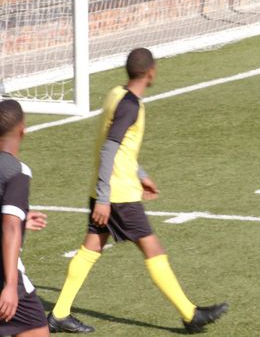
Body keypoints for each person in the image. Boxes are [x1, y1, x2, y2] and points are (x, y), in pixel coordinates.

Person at [49, 49, 228, 334]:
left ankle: (59, 314)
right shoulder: (130, 106)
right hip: (118, 194)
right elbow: (110, 147)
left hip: (109, 186)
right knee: (152, 248)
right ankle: (190, 314)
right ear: (151, 72)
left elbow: (120, 148)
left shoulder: (115, 94)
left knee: (91, 247)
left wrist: (141, 174)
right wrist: (105, 197)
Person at [0, 100, 49, 337]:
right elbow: (10, 227)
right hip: (5, 278)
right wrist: (10, 286)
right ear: (22, 129)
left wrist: (22, 218)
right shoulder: (17, 172)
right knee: (38, 330)